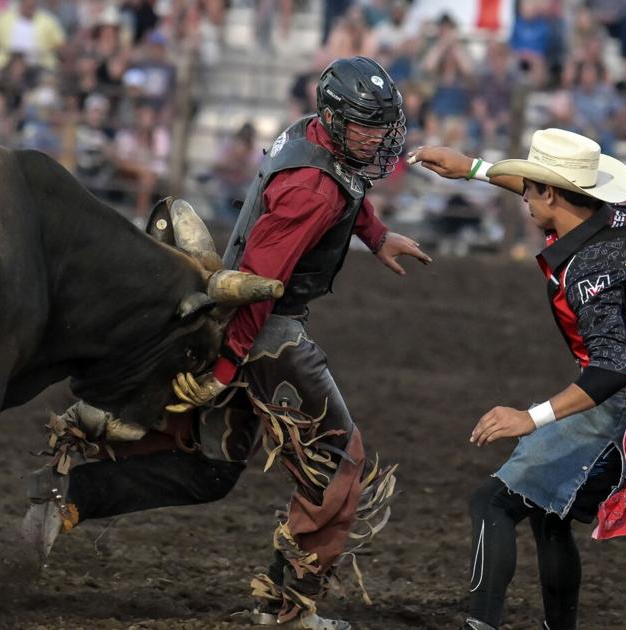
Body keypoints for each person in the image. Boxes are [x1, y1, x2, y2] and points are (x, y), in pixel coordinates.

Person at [23, 57, 431, 629]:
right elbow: (262, 285)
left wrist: (377, 234)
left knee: (208, 471)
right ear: (336, 119)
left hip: (242, 319)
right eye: (366, 125)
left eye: (381, 124)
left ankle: (71, 494)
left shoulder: (309, 137)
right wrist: (227, 365)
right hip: (267, 332)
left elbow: (346, 186)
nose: (377, 137)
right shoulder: (310, 189)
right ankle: (289, 613)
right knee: (337, 463)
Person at [410, 129, 626, 630]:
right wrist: (474, 168)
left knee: (493, 501)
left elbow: (609, 371)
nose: (527, 197)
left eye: (533, 188)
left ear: (551, 194)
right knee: (548, 507)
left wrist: (528, 418)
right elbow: (551, 198)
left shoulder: (589, 273)